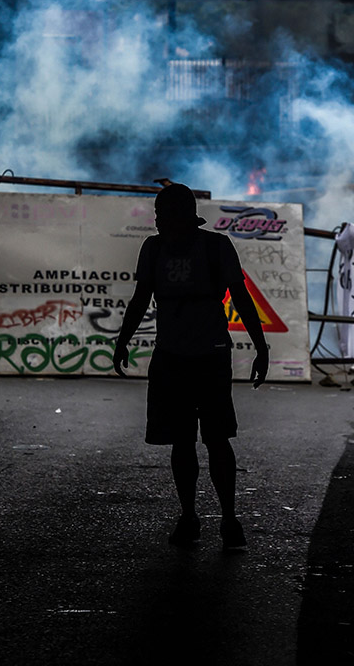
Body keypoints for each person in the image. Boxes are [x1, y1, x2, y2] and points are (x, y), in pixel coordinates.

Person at [113, 180, 269, 551]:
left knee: (207, 439)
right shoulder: (169, 248)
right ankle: (209, 518)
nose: (158, 221)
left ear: (179, 216)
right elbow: (140, 299)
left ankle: (212, 518)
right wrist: (123, 340)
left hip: (195, 356)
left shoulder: (208, 247)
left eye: (163, 214)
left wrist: (261, 347)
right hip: (186, 355)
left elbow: (242, 299)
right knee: (192, 440)